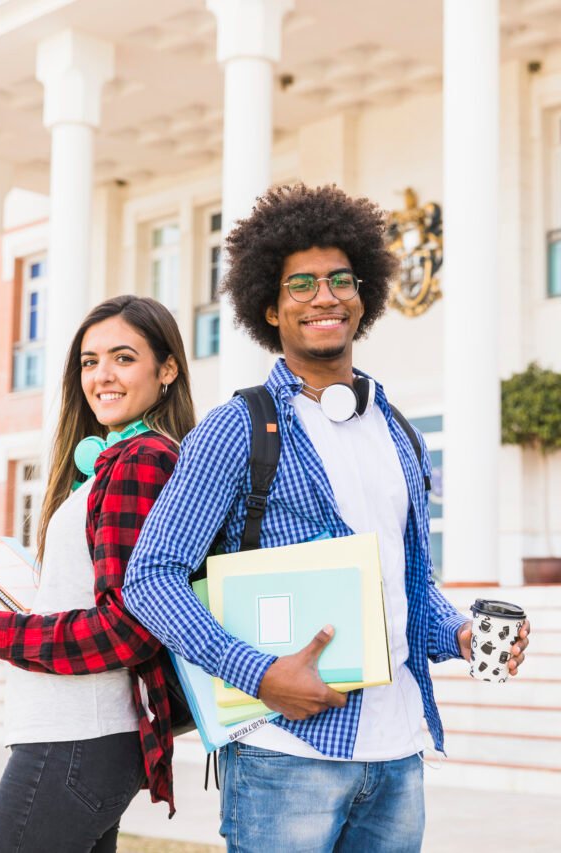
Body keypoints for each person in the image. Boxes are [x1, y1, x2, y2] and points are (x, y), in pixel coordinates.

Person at [122, 184, 531, 853]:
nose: (324, 297)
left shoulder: (398, 431)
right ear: (270, 307)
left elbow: (408, 582)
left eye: (341, 280)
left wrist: (461, 632)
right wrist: (257, 673)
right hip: (285, 755)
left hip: (399, 751)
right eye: (302, 284)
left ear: (363, 297)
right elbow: (151, 576)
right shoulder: (236, 429)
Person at [0, 295, 196, 852]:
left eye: (123, 358)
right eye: (90, 362)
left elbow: (128, 630)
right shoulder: (113, 461)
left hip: (77, 736)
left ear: (167, 369)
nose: (101, 376)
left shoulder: (141, 461)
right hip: (83, 736)